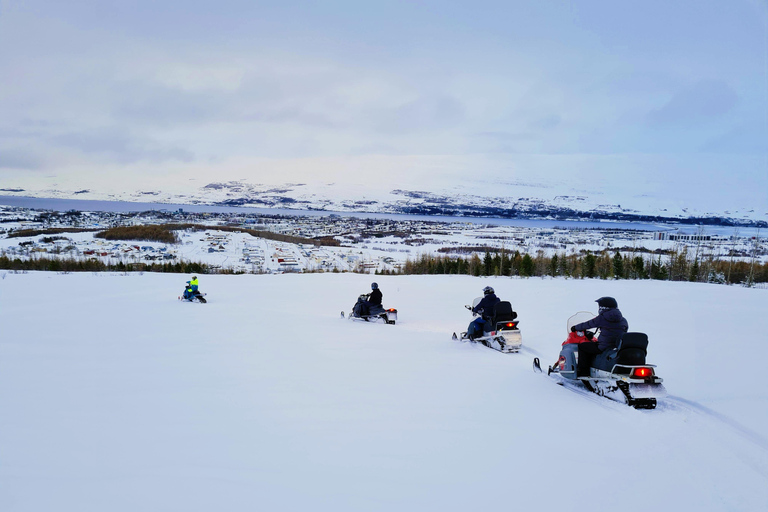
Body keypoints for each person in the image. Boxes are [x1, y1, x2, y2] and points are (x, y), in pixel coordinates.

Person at [571, 297, 628, 376]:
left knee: (582, 346)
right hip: (616, 346)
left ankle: (583, 372)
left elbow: (589, 324)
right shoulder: (623, 320)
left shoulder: (602, 318)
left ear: (603, 307)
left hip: (603, 347)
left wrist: (575, 328)